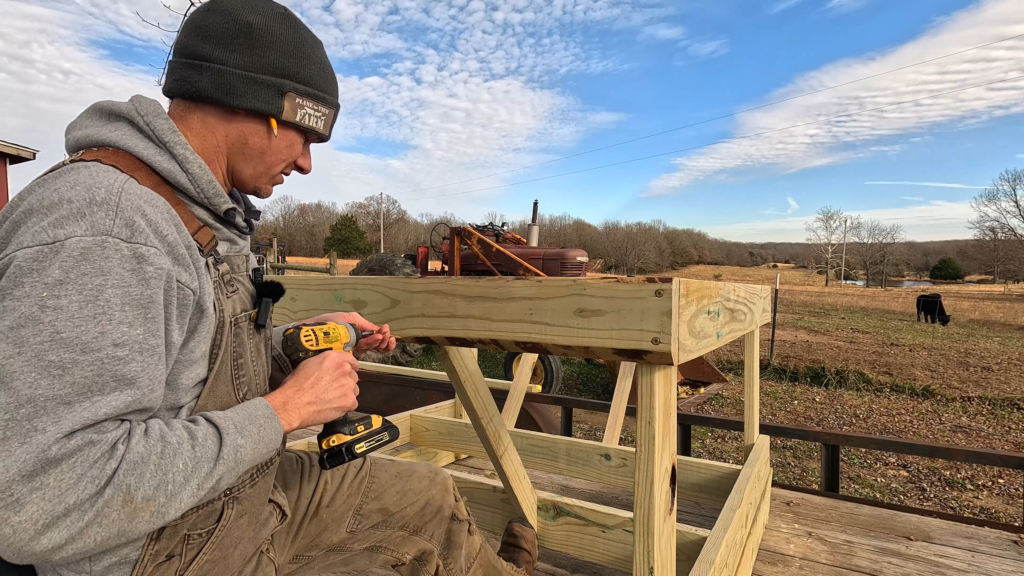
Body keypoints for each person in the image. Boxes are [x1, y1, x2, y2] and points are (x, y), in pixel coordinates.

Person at [0, 0, 537, 574]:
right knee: (411, 558)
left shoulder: (194, 210)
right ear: (246, 102)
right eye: (304, 135)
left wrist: (290, 348)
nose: (306, 163)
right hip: (165, 550)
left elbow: (183, 366)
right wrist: (287, 410)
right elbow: (38, 505)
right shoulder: (107, 229)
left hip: (230, 495)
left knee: (427, 495)